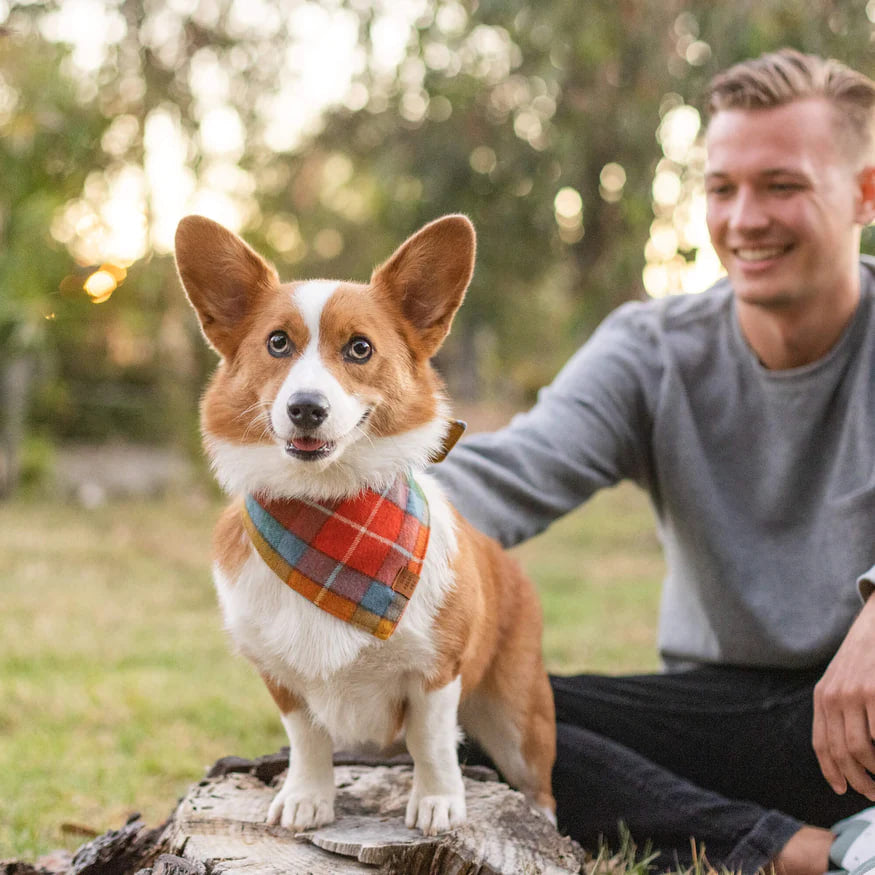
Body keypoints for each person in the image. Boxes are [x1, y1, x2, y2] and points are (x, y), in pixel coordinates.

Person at [434, 48, 875, 875]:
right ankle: (809, 853)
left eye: (781, 185)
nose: (744, 218)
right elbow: (513, 469)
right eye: (720, 187)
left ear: (864, 193)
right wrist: (354, 520)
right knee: (448, 712)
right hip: (717, 716)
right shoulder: (650, 351)